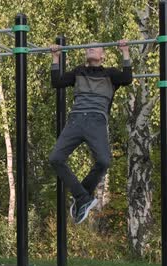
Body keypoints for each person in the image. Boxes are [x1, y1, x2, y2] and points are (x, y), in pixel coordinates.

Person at [48, 40, 132, 224]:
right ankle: (83, 198)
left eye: (95, 46)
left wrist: (125, 52)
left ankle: (82, 197)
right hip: (76, 120)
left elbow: (127, 79)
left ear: (103, 55)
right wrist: (55, 58)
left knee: (103, 161)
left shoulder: (110, 74)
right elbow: (57, 83)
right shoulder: (79, 72)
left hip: (97, 121)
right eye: (88, 47)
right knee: (55, 158)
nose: (90, 48)